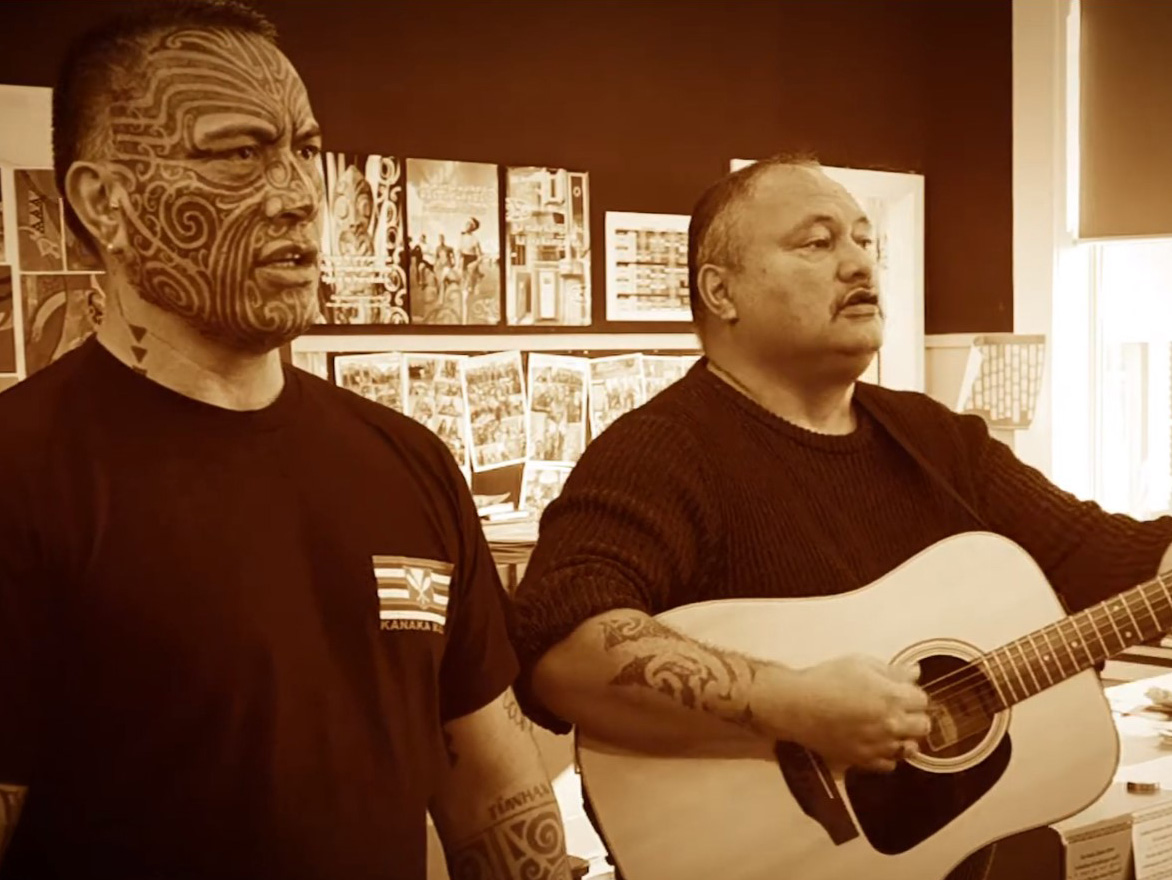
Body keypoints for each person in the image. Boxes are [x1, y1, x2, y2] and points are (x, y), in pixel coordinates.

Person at [0, 2, 571, 878]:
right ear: (102, 203)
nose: (300, 196)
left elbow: (492, 789)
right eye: (239, 152)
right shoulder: (23, 472)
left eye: (306, 150)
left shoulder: (407, 460)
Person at [507, 155, 1172, 880]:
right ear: (719, 291)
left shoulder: (937, 441)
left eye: (863, 239)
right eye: (817, 243)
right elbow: (564, 646)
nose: (858, 261)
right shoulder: (659, 453)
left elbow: (1117, 561)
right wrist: (792, 703)